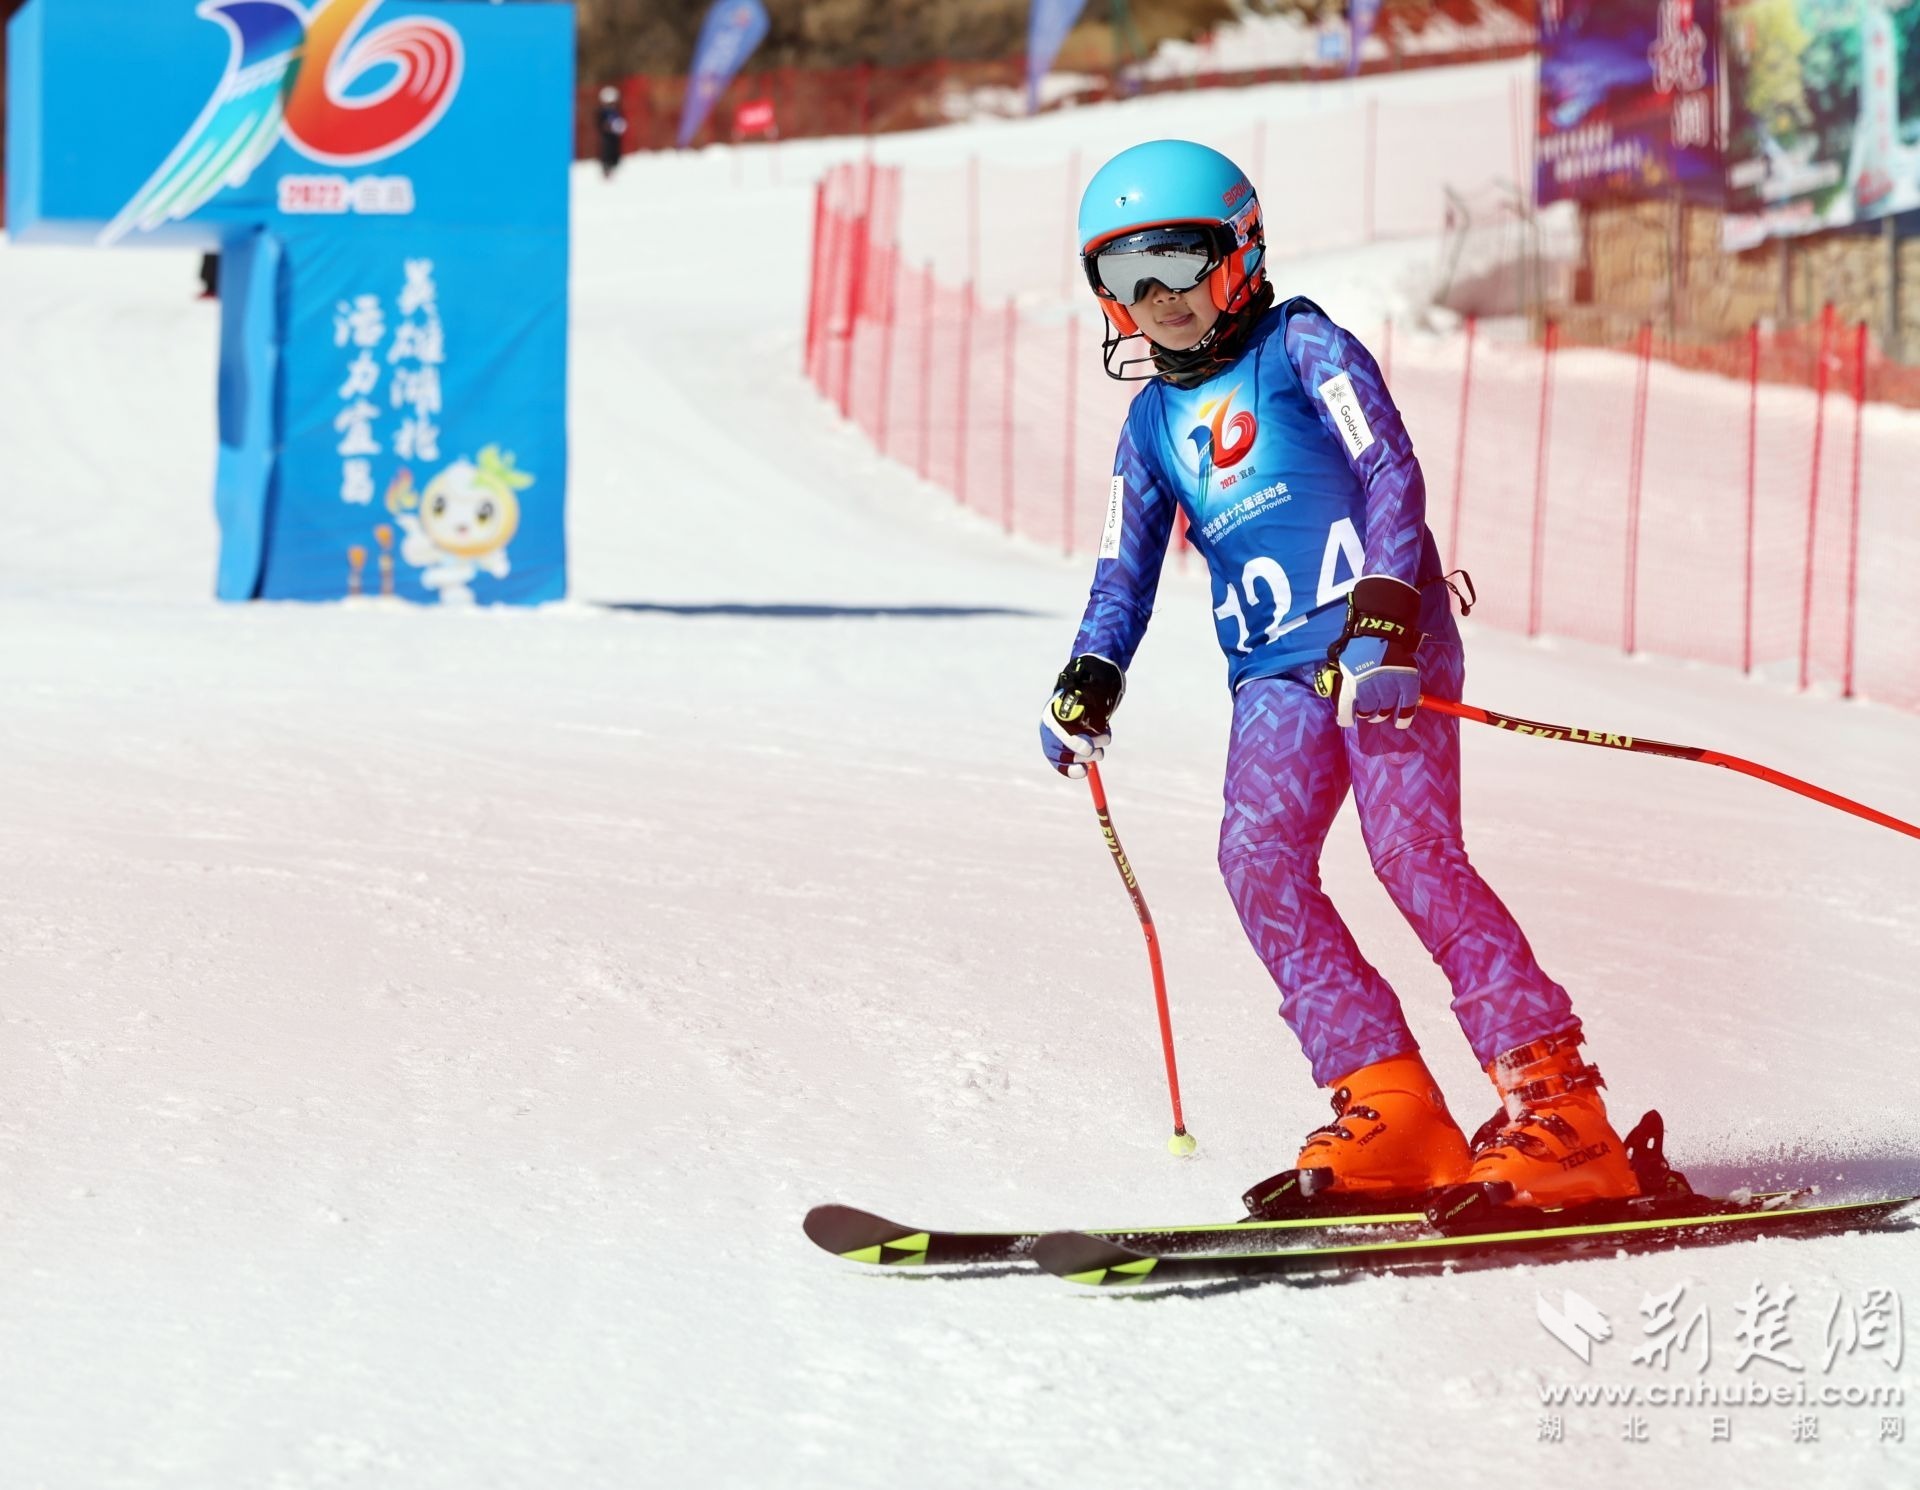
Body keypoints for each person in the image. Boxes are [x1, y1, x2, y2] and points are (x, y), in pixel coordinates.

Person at [1039, 139, 1639, 1210]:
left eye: (1177, 263)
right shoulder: (1150, 423)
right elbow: (1120, 569)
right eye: (1126, 280)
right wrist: (1091, 670)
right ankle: (1391, 1101)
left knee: (1411, 851)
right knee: (1256, 858)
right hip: (1273, 671)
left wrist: (1388, 614)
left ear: (1241, 250)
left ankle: (1560, 1108)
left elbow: (1386, 467)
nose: (1159, 300)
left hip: (1381, 640)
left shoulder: (1303, 346)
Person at [596, 85, 629, 180]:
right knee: (607, 151)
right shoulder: (602, 112)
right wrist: (607, 127)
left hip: (615, 137)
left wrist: (620, 126)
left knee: (615, 151)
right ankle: (607, 169)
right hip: (607, 138)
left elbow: (621, 121)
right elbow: (600, 124)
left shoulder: (617, 111)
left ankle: (615, 166)